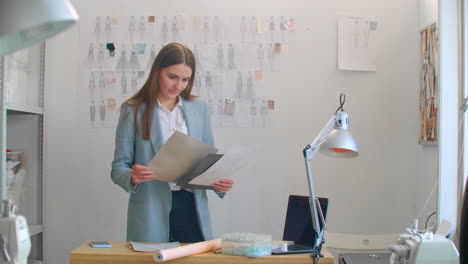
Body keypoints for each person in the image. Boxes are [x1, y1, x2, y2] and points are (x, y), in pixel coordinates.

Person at [111, 42, 234, 243]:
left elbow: (208, 162)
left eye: (186, 80)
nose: (178, 86)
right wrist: (132, 176)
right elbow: (118, 168)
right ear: (157, 71)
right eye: (172, 77)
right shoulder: (133, 109)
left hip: (191, 206)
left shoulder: (198, 107)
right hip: (151, 207)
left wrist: (217, 183)